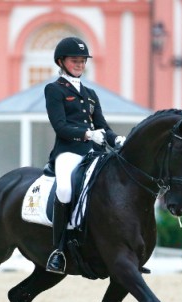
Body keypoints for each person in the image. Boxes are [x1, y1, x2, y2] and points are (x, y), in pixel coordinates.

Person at [44, 37, 125, 274]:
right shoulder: (54, 89)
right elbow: (60, 126)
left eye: (82, 61)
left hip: (94, 153)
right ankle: (58, 250)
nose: (79, 64)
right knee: (65, 190)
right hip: (68, 151)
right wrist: (88, 135)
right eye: (74, 60)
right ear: (61, 61)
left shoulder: (90, 93)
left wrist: (116, 139)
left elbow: (103, 126)